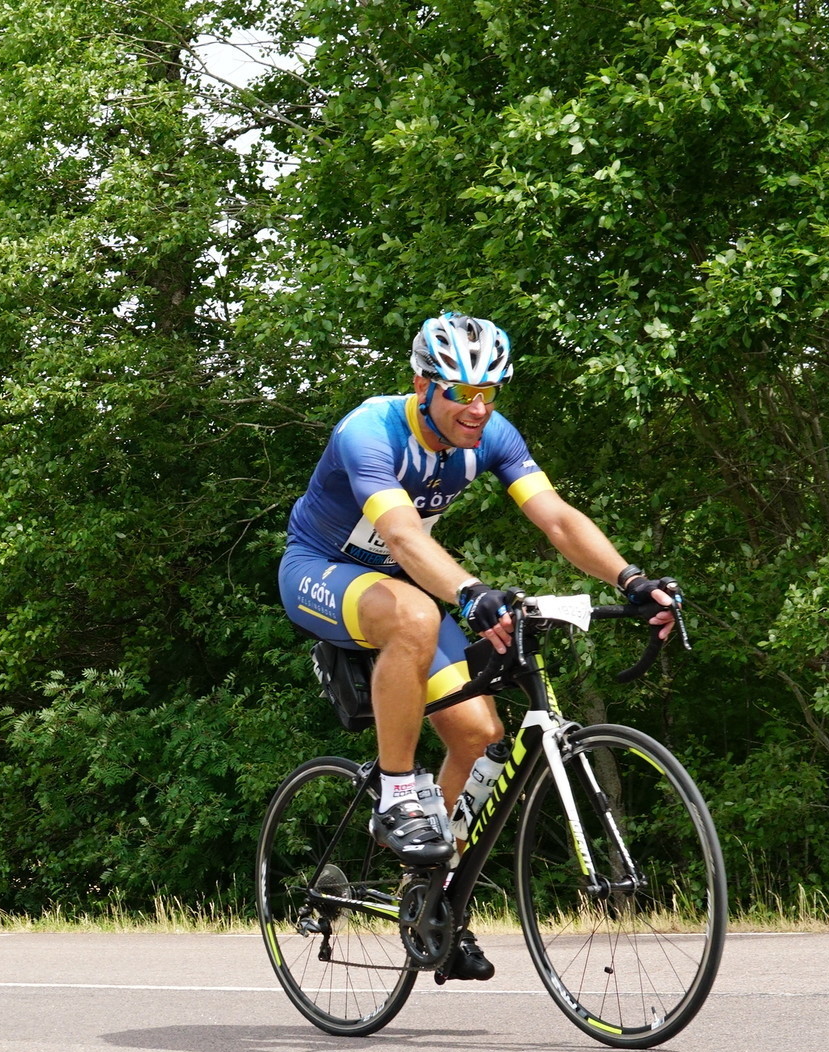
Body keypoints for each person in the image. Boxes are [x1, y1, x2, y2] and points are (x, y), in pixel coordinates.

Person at [280, 313, 678, 978]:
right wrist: (470, 592)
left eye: (489, 392)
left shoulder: (491, 435)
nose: (478, 408)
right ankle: (398, 792)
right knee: (415, 612)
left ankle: (428, 901)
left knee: (478, 734)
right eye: (462, 392)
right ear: (422, 385)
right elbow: (402, 537)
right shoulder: (370, 430)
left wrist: (630, 579)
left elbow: (556, 518)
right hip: (319, 570)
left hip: (404, 586)